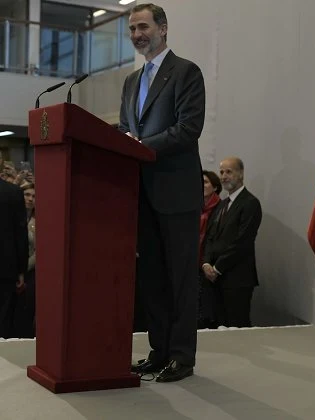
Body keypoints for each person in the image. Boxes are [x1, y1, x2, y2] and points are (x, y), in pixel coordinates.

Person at [119, 3, 205, 383]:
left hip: (177, 194)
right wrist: (125, 143)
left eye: (143, 27)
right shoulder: (130, 82)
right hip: (142, 194)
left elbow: (188, 129)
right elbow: (125, 129)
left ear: (163, 28)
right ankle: (159, 352)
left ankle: (182, 357)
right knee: (152, 277)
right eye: (132, 29)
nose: (138, 34)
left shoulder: (186, 72)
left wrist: (139, 144)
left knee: (181, 279)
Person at [202, 157, 262, 328]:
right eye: (221, 172)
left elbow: (242, 242)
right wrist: (206, 262)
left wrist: (217, 267)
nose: (224, 176)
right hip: (216, 280)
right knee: (219, 328)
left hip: (237, 280)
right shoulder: (222, 205)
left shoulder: (250, 203)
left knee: (237, 328)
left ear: (241, 174)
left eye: (229, 171)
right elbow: (210, 237)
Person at [0, 178, 28, 338]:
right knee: (3, 317)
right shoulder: (13, 192)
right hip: (6, 266)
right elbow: (20, 233)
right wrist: (21, 270)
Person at [197, 170, 221, 329]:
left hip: (211, 263)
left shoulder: (221, 207)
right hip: (195, 262)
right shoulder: (196, 207)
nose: (202, 185)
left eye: (205, 182)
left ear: (215, 186)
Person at [12, 182, 36, 338]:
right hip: (11, 270)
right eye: (27, 194)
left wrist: (23, 268)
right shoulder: (11, 216)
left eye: (34, 196)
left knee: (26, 310)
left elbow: (39, 251)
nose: (30, 199)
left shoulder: (39, 220)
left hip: (30, 271)